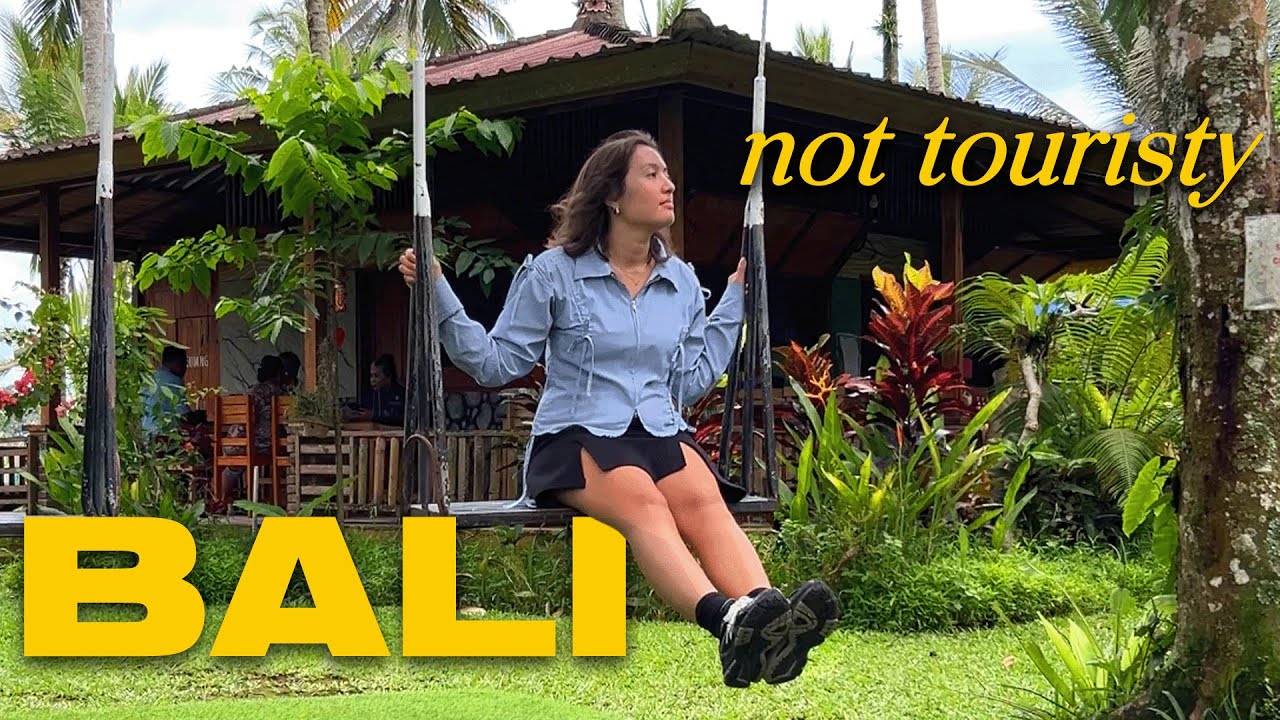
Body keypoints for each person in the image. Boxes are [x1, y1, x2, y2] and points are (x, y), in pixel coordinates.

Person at [397, 129, 839, 687]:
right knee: (640, 496)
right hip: (574, 436)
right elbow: (495, 362)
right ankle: (726, 620)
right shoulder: (554, 272)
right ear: (612, 194)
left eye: (667, 174)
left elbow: (693, 379)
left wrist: (734, 301)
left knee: (705, 499)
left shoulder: (680, 282)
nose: (668, 184)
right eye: (651, 174)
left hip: (659, 429)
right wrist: (436, 290)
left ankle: (769, 623)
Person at [142, 346, 192, 436]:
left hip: (144, 433)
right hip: (163, 436)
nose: (185, 368)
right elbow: (183, 415)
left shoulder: (149, 378)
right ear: (177, 363)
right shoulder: (174, 381)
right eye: (184, 363)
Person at [348, 354, 405, 425]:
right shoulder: (370, 395)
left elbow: (399, 418)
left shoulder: (401, 394)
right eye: (371, 376)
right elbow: (362, 408)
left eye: (376, 376)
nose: (372, 380)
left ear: (388, 376)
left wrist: (373, 416)